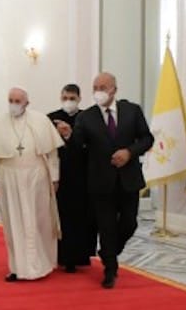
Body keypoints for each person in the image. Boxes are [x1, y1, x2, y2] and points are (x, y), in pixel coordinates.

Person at [65, 72, 154, 288]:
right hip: (100, 182)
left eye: (103, 87)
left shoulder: (132, 111)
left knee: (129, 223)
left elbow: (147, 138)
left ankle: (108, 251)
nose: (98, 91)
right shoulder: (86, 118)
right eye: (95, 87)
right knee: (106, 227)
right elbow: (78, 148)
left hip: (128, 179)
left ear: (114, 89)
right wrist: (69, 135)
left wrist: (129, 152)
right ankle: (110, 270)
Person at [0, 87, 63, 281]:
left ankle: (42, 265)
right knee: (14, 223)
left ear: (27, 103)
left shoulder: (41, 120)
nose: (14, 104)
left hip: (37, 177)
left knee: (40, 220)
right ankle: (18, 268)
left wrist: (54, 177)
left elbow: (52, 154)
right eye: (11, 100)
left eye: (18, 101)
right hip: (9, 177)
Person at [48, 84, 96, 272]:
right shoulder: (51, 118)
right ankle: (62, 257)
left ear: (79, 98)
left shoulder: (87, 118)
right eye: (65, 97)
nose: (68, 101)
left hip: (82, 174)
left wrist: (70, 134)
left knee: (81, 217)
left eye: (72, 98)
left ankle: (80, 256)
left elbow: (91, 145)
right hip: (59, 174)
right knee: (61, 216)